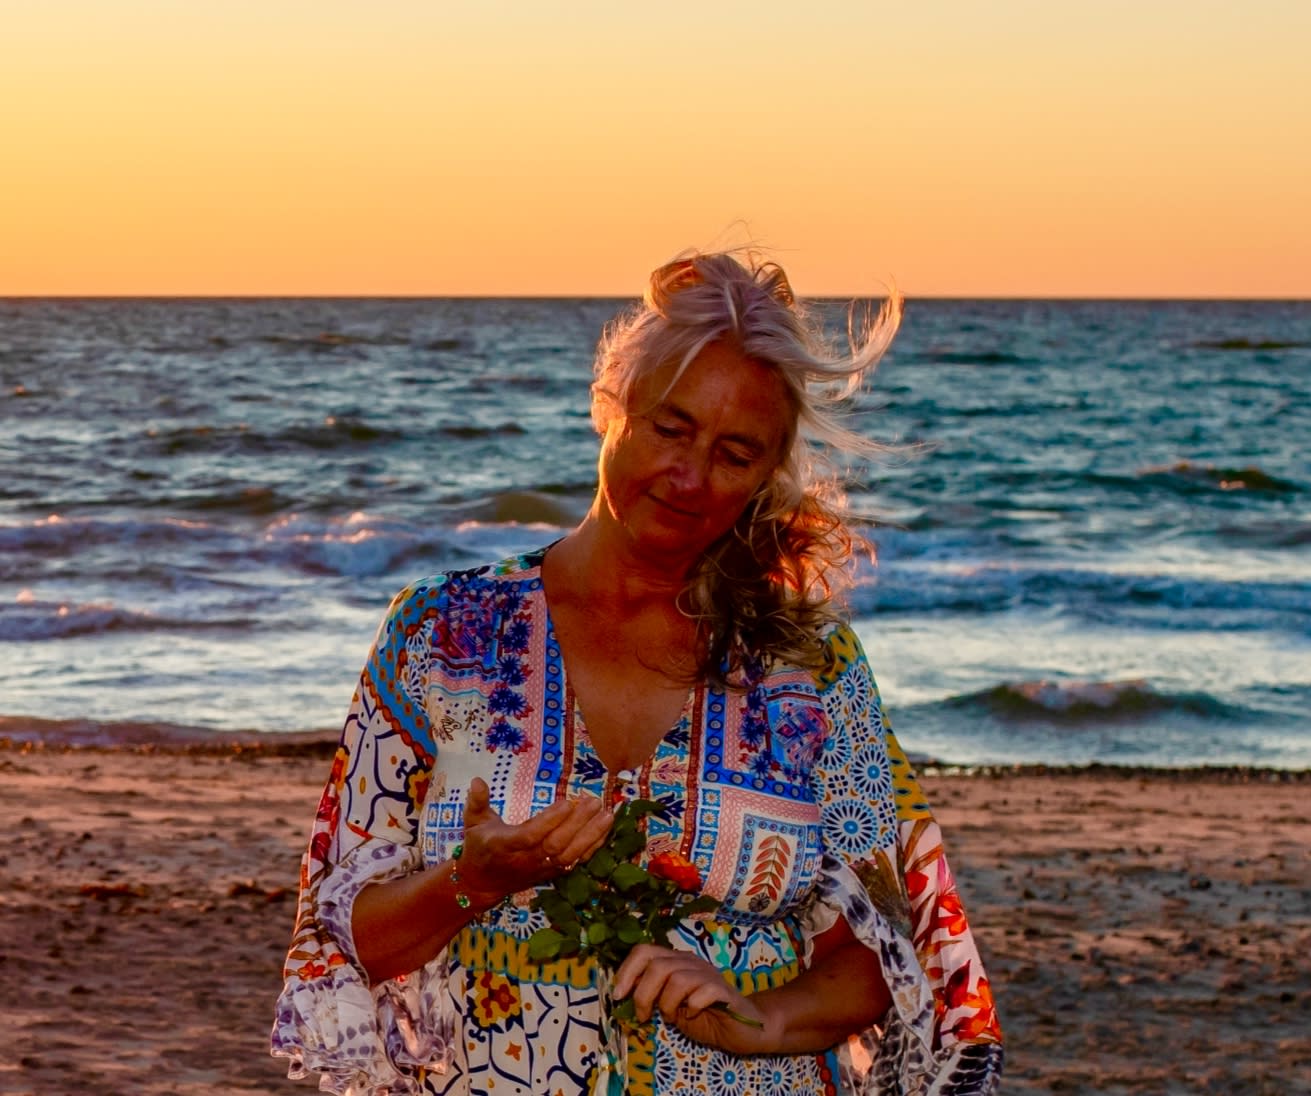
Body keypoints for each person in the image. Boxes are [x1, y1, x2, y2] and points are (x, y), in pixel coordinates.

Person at [272, 251, 1003, 1095]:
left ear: (767, 473)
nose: (689, 477)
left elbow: (886, 950)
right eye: (668, 428)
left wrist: (759, 1017)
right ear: (609, 404)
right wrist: (474, 881)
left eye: (735, 453)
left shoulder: (807, 665)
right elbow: (339, 941)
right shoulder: (442, 633)